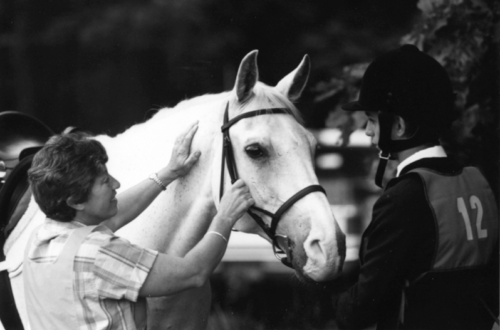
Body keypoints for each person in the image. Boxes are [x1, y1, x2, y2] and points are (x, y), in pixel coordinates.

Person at [24, 122, 254, 330]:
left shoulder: (41, 237)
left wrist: (168, 173)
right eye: (105, 181)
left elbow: (114, 216)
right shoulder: (98, 253)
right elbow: (192, 273)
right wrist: (225, 217)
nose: (116, 183)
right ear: (75, 201)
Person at [333, 44, 499, 330]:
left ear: (398, 126)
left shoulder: (404, 198)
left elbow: (364, 307)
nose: (368, 131)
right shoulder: (480, 182)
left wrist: (328, 294)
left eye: (372, 120)